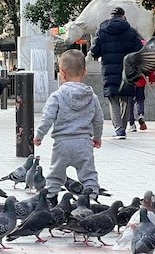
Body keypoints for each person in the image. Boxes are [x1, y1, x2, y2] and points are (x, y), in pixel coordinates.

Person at [33, 50, 103, 206]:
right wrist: (97, 137)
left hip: (62, 144)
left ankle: (50, 198)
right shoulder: (92, 97)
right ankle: (90, 199)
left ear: (62, 74)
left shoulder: (56, 96)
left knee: (55, 174)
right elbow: (98, 120)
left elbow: (47, 118)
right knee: (88, 174)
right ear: (85, 72)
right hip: (84, 144)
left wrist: (39, 135)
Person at [89, 6, 142, 140]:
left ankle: (118, 129)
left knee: (113, 100)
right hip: (127, 70)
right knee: (126, 99)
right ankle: (123, 128)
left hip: (109, 69)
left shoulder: (101, 30)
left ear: (110, 16)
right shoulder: (131, 31)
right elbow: (139, 50)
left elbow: (95, 51)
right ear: (123, 16)